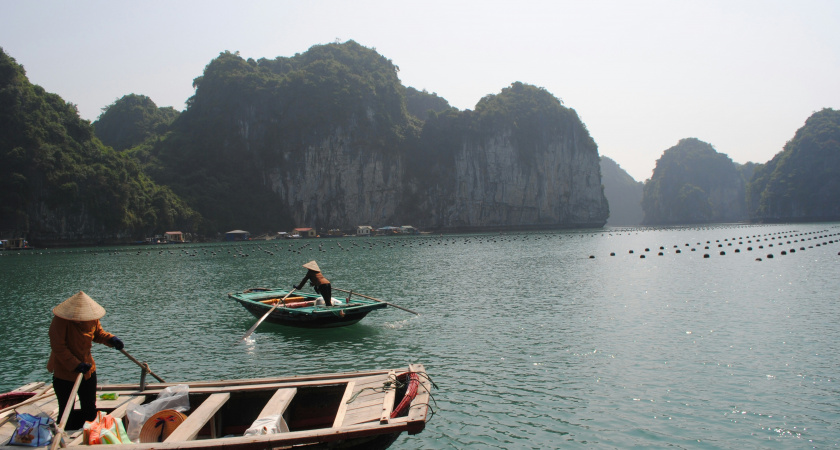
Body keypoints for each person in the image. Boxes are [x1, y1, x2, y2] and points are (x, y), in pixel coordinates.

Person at [47, 291, 124, 430]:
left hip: (88, 370)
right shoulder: (60, 321)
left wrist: (111, 339)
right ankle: (63, 438)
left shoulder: (91, 318)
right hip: (65, 373)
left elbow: (98, 334)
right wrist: (75, 365)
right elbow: (58, 347)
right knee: (66, 410)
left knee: (89, 407)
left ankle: (91, 437)